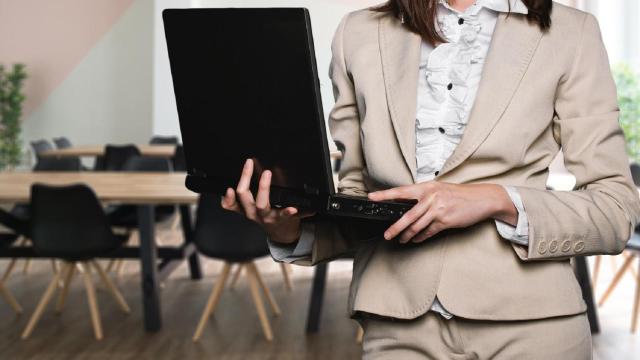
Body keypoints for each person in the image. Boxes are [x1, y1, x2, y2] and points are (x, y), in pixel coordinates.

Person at [222, 0, 640, 358]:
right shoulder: (359, 34)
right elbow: (359, 203)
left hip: (533, 324)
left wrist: (496, 199)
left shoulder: (572, 33)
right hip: (396, 324)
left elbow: (615, 208)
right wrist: (288, 227)